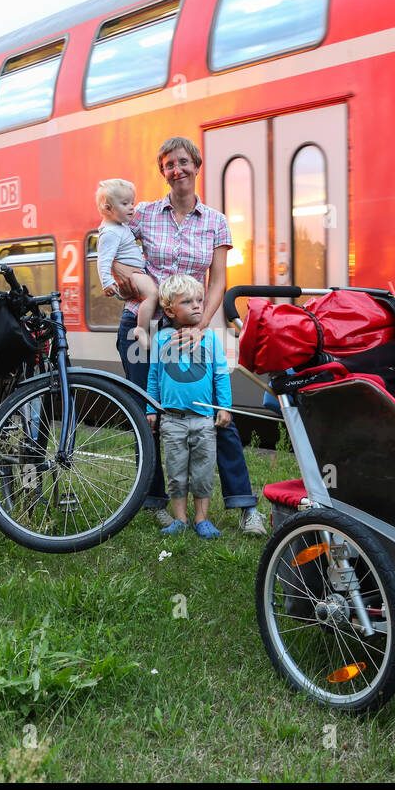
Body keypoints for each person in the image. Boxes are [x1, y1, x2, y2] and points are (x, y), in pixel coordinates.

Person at [112, 135, 268, 536]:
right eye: (168, 165)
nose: (176, 170)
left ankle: (245, 505)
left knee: (214, 411)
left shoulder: (215, 221)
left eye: (182, 162)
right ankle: (157, 503)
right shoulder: (144, 214)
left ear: (196, 165)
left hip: (189, 329)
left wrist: (200, 327)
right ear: (162, 172)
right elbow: (110, 242)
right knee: (147, 413)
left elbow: (218, 281)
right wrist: (125, 279)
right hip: (143, 327)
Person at [146, 274, 232, 539]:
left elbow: (220, 374)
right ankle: (180, 519)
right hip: (172, 420)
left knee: (203, 472)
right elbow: (154, 374)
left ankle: (201, 519)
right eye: (188, 302)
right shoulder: (161, 340)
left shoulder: (211, 339)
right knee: (176, 472)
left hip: (204, 419)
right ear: (170, 310)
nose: (197, 305)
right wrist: (151, 409)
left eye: (199, 300)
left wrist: (224, 407)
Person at [94, 178, 159, 351]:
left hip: (137, 273)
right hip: (133, 276)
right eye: (125, 203)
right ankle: (141, 329)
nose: (132, 207)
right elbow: (104, 259)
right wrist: (107, 282)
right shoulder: (110, 233)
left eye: (132, 202)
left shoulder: (119, 226)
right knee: (153, 294)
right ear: (108, 208)